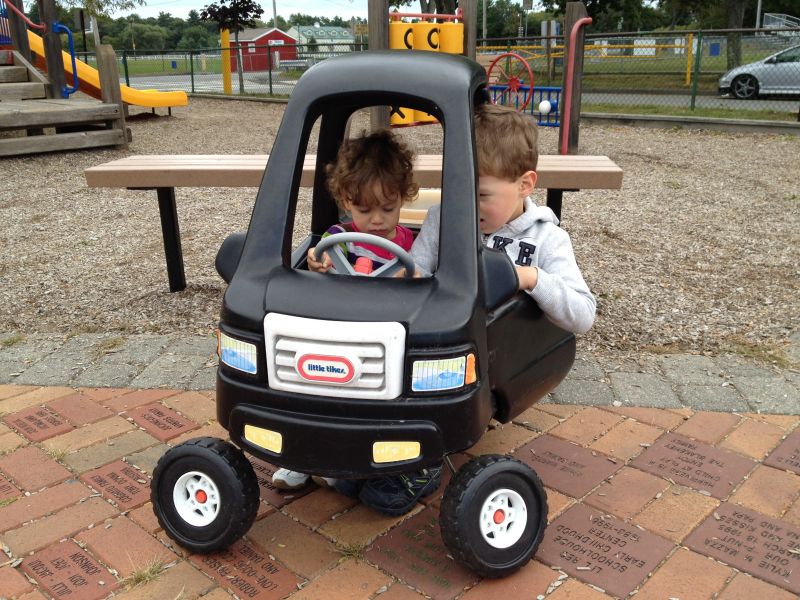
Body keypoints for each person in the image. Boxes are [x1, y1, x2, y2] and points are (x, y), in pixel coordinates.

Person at [357, 102, 596, 515]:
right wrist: (392, 276)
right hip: (437, 345)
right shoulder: (445, 218)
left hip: (495, 358)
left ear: (525, 185)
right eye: (461, 191)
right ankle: (364, 444)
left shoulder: (546, 241)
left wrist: (530, 278)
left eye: (481, 195)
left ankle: (423, 463)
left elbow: (583, 314)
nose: (468, 205)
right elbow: (415, 270)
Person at [272, 128, 420, 492]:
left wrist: (413, 276)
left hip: (384, 337)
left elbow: (425, 281)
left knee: (373, 406)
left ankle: (348, 462)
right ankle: (299, 459)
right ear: (345, 200)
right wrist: (315, 262)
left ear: (403, 198)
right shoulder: (338, 237)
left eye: (388, 208)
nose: (377, 220)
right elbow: (317, 259)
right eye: (364, 210)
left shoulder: (412, 243)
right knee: (312, 394)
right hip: (339, 332)